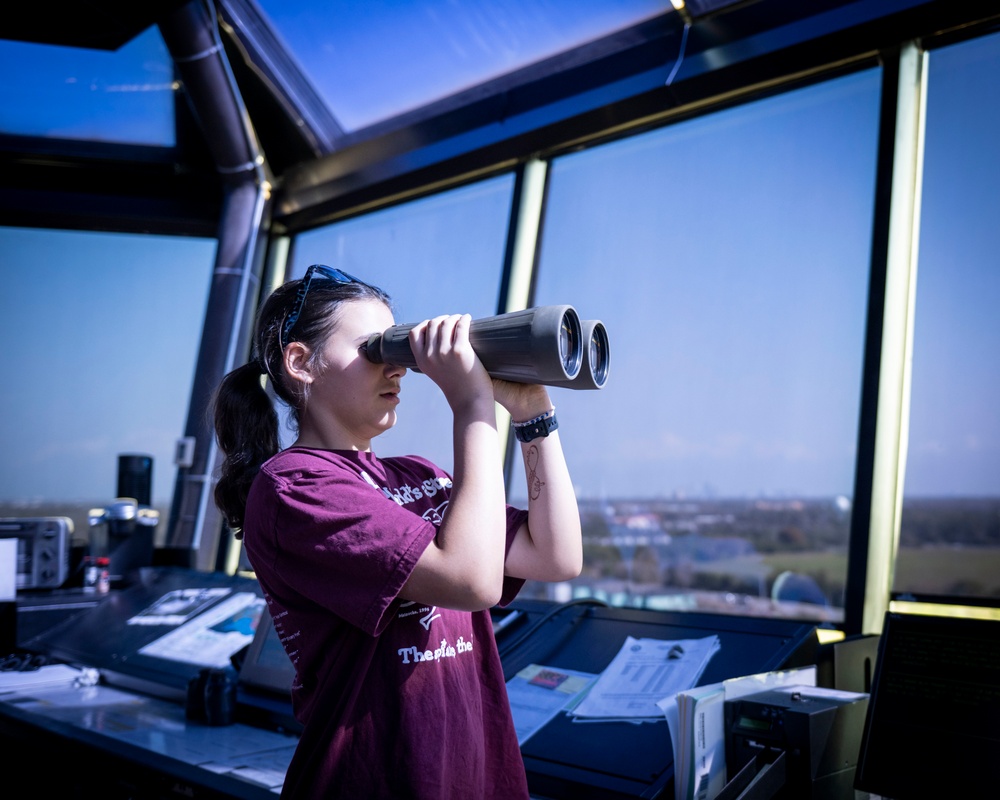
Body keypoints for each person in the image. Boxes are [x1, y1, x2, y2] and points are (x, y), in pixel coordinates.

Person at [212, 264, 582, 799]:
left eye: (397, 349)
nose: (397, 370)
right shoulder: (295, 489)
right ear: (301, 363)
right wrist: (472, 405)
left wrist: (532, 414)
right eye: (375, 349)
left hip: (475, 778)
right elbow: (472, 582)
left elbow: (556, 556)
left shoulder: (419, 474)